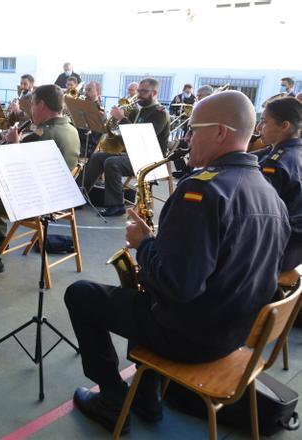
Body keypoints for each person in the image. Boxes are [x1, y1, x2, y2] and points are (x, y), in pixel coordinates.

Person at [65, 90, 290, 435]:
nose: (186, 139)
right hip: (237, 333)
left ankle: (112, 399)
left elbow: (177, 286)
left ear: (220, 132)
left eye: (194, 129)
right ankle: (147, 395)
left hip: (194, 338)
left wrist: (145, 244)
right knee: (142, 300)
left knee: (80, 293)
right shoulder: (268, 189)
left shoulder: (202, 192)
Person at [0, 84, 81, 274]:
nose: (31, 110)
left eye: (33, 104)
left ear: (41, 104)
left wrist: (13, 145)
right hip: (58, 194)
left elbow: (12, 170)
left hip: (35, 199)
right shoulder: (70, 129)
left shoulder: (43, 135)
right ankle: (0, 239)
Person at [81, 78, 170, 216]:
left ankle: (117, 205)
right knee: (98, 157)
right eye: (139, 91)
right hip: (134, 155)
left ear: (154, 93)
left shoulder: (160, 113)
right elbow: (129, 135)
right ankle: (79, 195)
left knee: (112, 163)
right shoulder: (140, 111)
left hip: (150, 160)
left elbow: (141, 137)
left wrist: (121, 119)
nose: (139, 94)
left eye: (144, 91)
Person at [257, 96, 301, 276]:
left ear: (285, 126)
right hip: (296, 248)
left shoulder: (276, 164)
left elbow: (262, 217)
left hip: (280, 251)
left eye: (264, 122)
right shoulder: (295, 152)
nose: (259, 128)